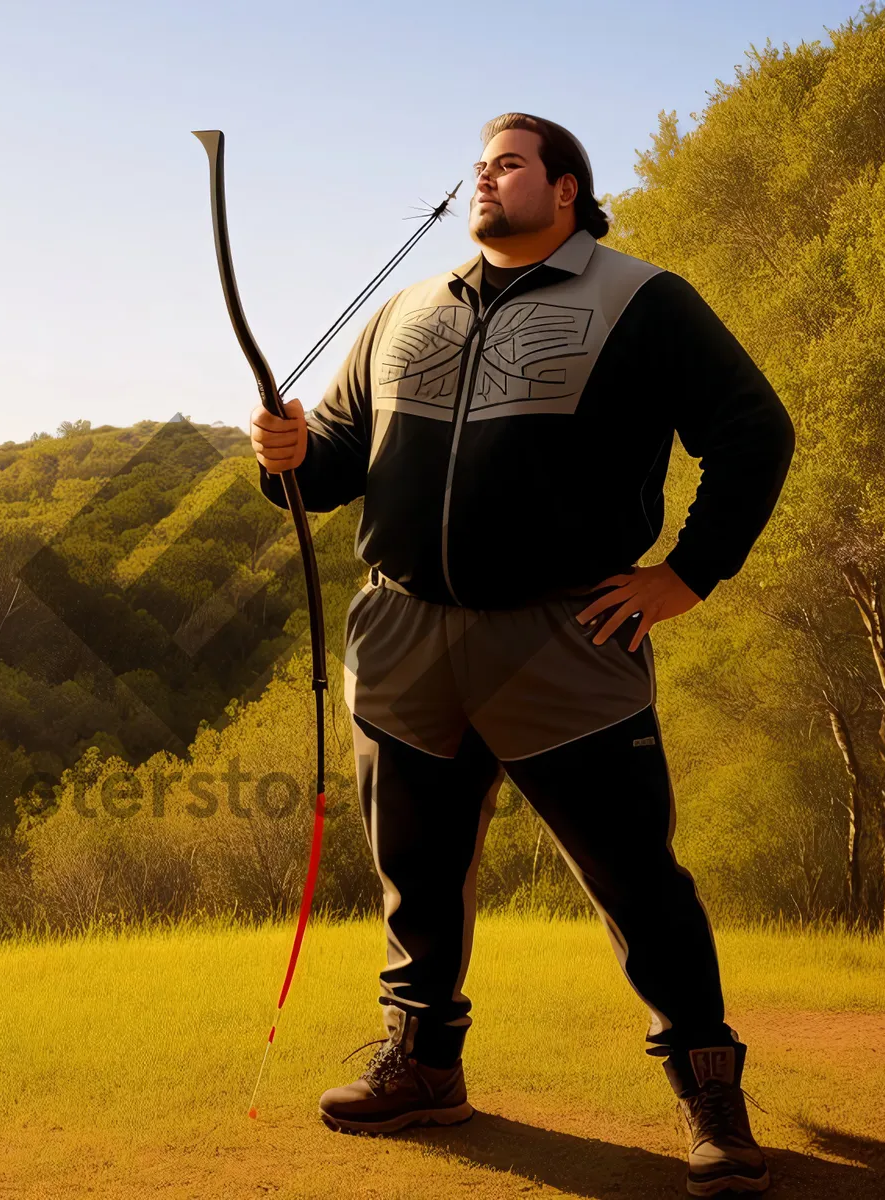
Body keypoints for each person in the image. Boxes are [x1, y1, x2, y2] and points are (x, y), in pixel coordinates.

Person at [250, 111, 793, 1197]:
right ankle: (424, 1067)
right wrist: (289, 459)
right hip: (403, 637)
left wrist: (686, 574)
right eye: (478, 166)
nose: (485, 180)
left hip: (564, 637)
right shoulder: (404, 311)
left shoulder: (642, 299)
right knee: (416, 877)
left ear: (568, 187)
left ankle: (710, 1097)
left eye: (508, 163)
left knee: (638, 880)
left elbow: (753, 430)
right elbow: (337, 469)